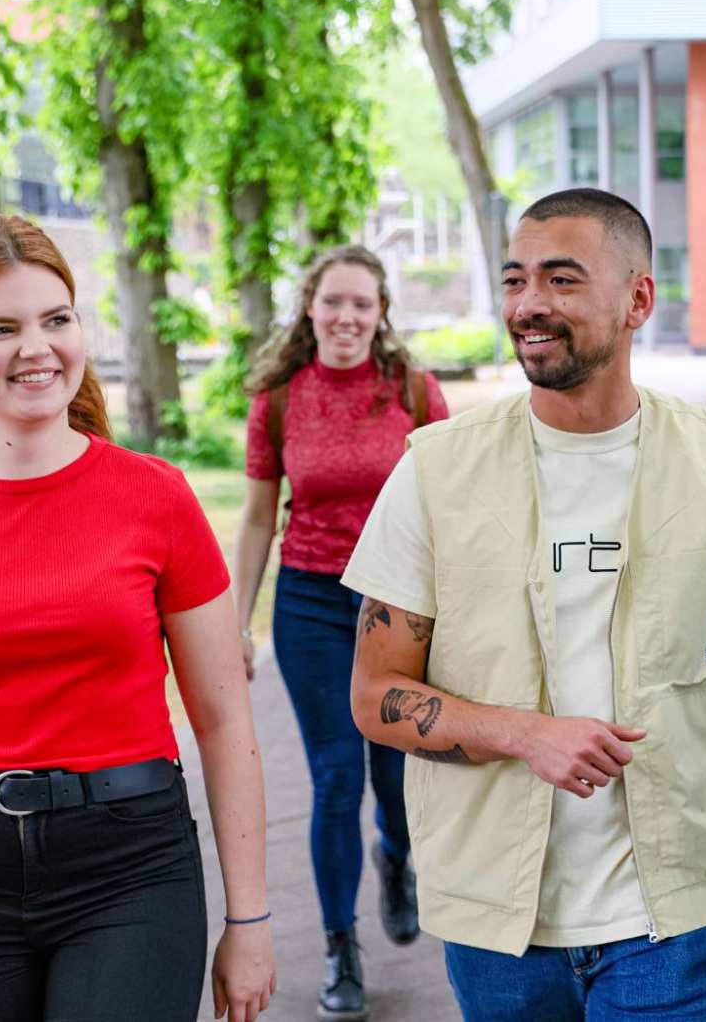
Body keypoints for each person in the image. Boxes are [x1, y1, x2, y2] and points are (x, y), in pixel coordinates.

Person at [341, 187, 706, 1021]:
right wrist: (522, 733)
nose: (530, 304)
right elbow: (373, 695)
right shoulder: (434, 471)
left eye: (563, 279)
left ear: (639, 297)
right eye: (516, 280)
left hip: (671, 918)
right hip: (500, 924)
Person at [0, 213, 277, 1022]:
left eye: (56, 320)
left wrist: (250, 920)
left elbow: (222, 717)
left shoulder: (156, 497)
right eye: (2, 328)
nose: (39, 347)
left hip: (131, 869)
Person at [230, 244, 448, 1020]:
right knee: (333, 778)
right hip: (310, 605)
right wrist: (236, 622)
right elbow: (258, 517)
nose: (347, 317)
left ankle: (397, 854)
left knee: (393, 775)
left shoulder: (416, 396)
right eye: (334, 302)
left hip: (398, 608)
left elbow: (447, 511)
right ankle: (339, 947)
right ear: (310, 308)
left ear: (380, 312)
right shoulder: (280, 400)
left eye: (362, 304)